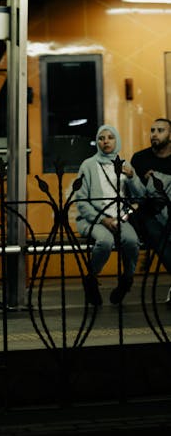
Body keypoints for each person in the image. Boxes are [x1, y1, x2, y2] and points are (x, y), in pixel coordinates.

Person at [75, 124, 146, 306]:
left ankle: (126, 280)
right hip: (94, 219)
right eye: (101, 138)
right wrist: (103, 220)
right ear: (97, 142)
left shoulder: (125, 164)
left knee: (132, 242)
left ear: (116, 140)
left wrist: (132, 177)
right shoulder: (88, 165)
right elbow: (81, 202)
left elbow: (141, 195)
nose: (105, 141)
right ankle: (91, 279)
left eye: (110, 137)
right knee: (105, 241)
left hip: (120, 219)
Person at [130, 117, 171, 275]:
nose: (154, 134)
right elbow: (134, 194)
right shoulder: (140, 159)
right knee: (156, 233)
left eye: (160, 131)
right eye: (152, 130)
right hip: (148, 213)